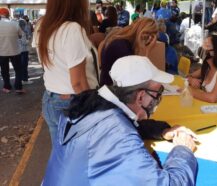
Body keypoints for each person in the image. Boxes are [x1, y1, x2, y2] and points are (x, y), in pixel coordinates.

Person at [42, 55, 198, 185]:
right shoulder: (118, 134)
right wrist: (183, 150)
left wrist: (163, 131)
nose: (157, 100)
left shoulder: (89, 105)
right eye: (156, 94)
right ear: (141, 96)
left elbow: (125, 125)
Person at [34, 0, 99, 144]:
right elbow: (78, 82)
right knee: (77, 158)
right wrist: (93, 111)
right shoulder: (72, 29)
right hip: (72, 102)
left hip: (51, 98)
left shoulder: (42, 25)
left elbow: (50, 63)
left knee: (62, 157)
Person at [99, 18, 158, 86]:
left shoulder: (123, 41)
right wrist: (147, 51)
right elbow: (138, 76)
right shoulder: (122, 46)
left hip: (110, 87)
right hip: (112, 91)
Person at [0, 7, 24, 94]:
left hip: (2, 52)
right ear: (8, 14)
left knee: (4, 70)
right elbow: (21, 35)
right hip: (15, 51)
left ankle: (7, 87)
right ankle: (18, 87)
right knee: (18, 69)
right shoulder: (14, 23)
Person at [18, 20, 32, 85]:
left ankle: (21, 78)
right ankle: (25, 80)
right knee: (24, 66)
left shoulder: (17, 31)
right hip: (24, 50)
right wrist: (28, 40)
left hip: (18, 51)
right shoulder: (22, 32)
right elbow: (24, 43)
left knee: (20, 66)